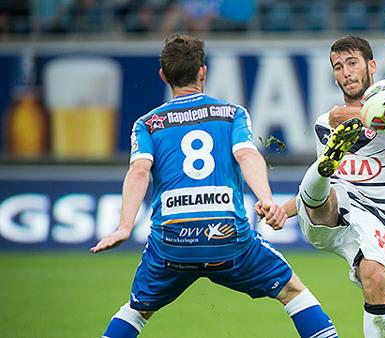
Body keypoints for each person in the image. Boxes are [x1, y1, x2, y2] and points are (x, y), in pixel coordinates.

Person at [90, 34, 338, 338]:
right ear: (203, 71)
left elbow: (139, 171)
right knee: (293, 291)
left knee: (137, 310)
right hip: (227, 239)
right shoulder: (231, 113)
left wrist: (124, 227)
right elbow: (247, 155)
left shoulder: (148, 124)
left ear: (164, 76)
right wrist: (267, 199)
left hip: (173, 243)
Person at [278, 35, 385, 338]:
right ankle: (325, 164)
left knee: (375, 277)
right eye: (338, 67)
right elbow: (323, 188)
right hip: (332, 211)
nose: (346, 73)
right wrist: (280, 211)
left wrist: (349, 115)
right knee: (327, 184)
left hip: (380, 215)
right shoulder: (325, 123)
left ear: (371, 65)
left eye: (352, 63)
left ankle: (325, 167)